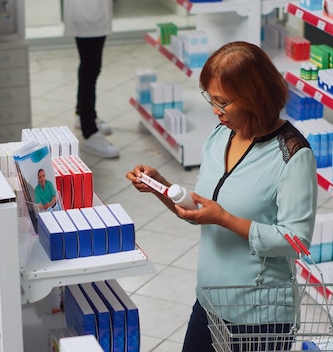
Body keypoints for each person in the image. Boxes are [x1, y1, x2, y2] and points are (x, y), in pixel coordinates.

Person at [126, 41, 318, 352]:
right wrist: (159, 185)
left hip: (259, 316)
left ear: (254, 96)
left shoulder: (292, 155)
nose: (216, 111)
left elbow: (296, 240)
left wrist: (224, 219)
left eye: (223, 102)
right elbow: (199, 210)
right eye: (211, 99)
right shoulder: (220, 136)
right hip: (210, 299)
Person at [63, 0, 119, 159]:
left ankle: (83, 115)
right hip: (87, 14)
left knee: (90, 68)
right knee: (90, 69)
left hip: (94, 12)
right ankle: (89, 132)